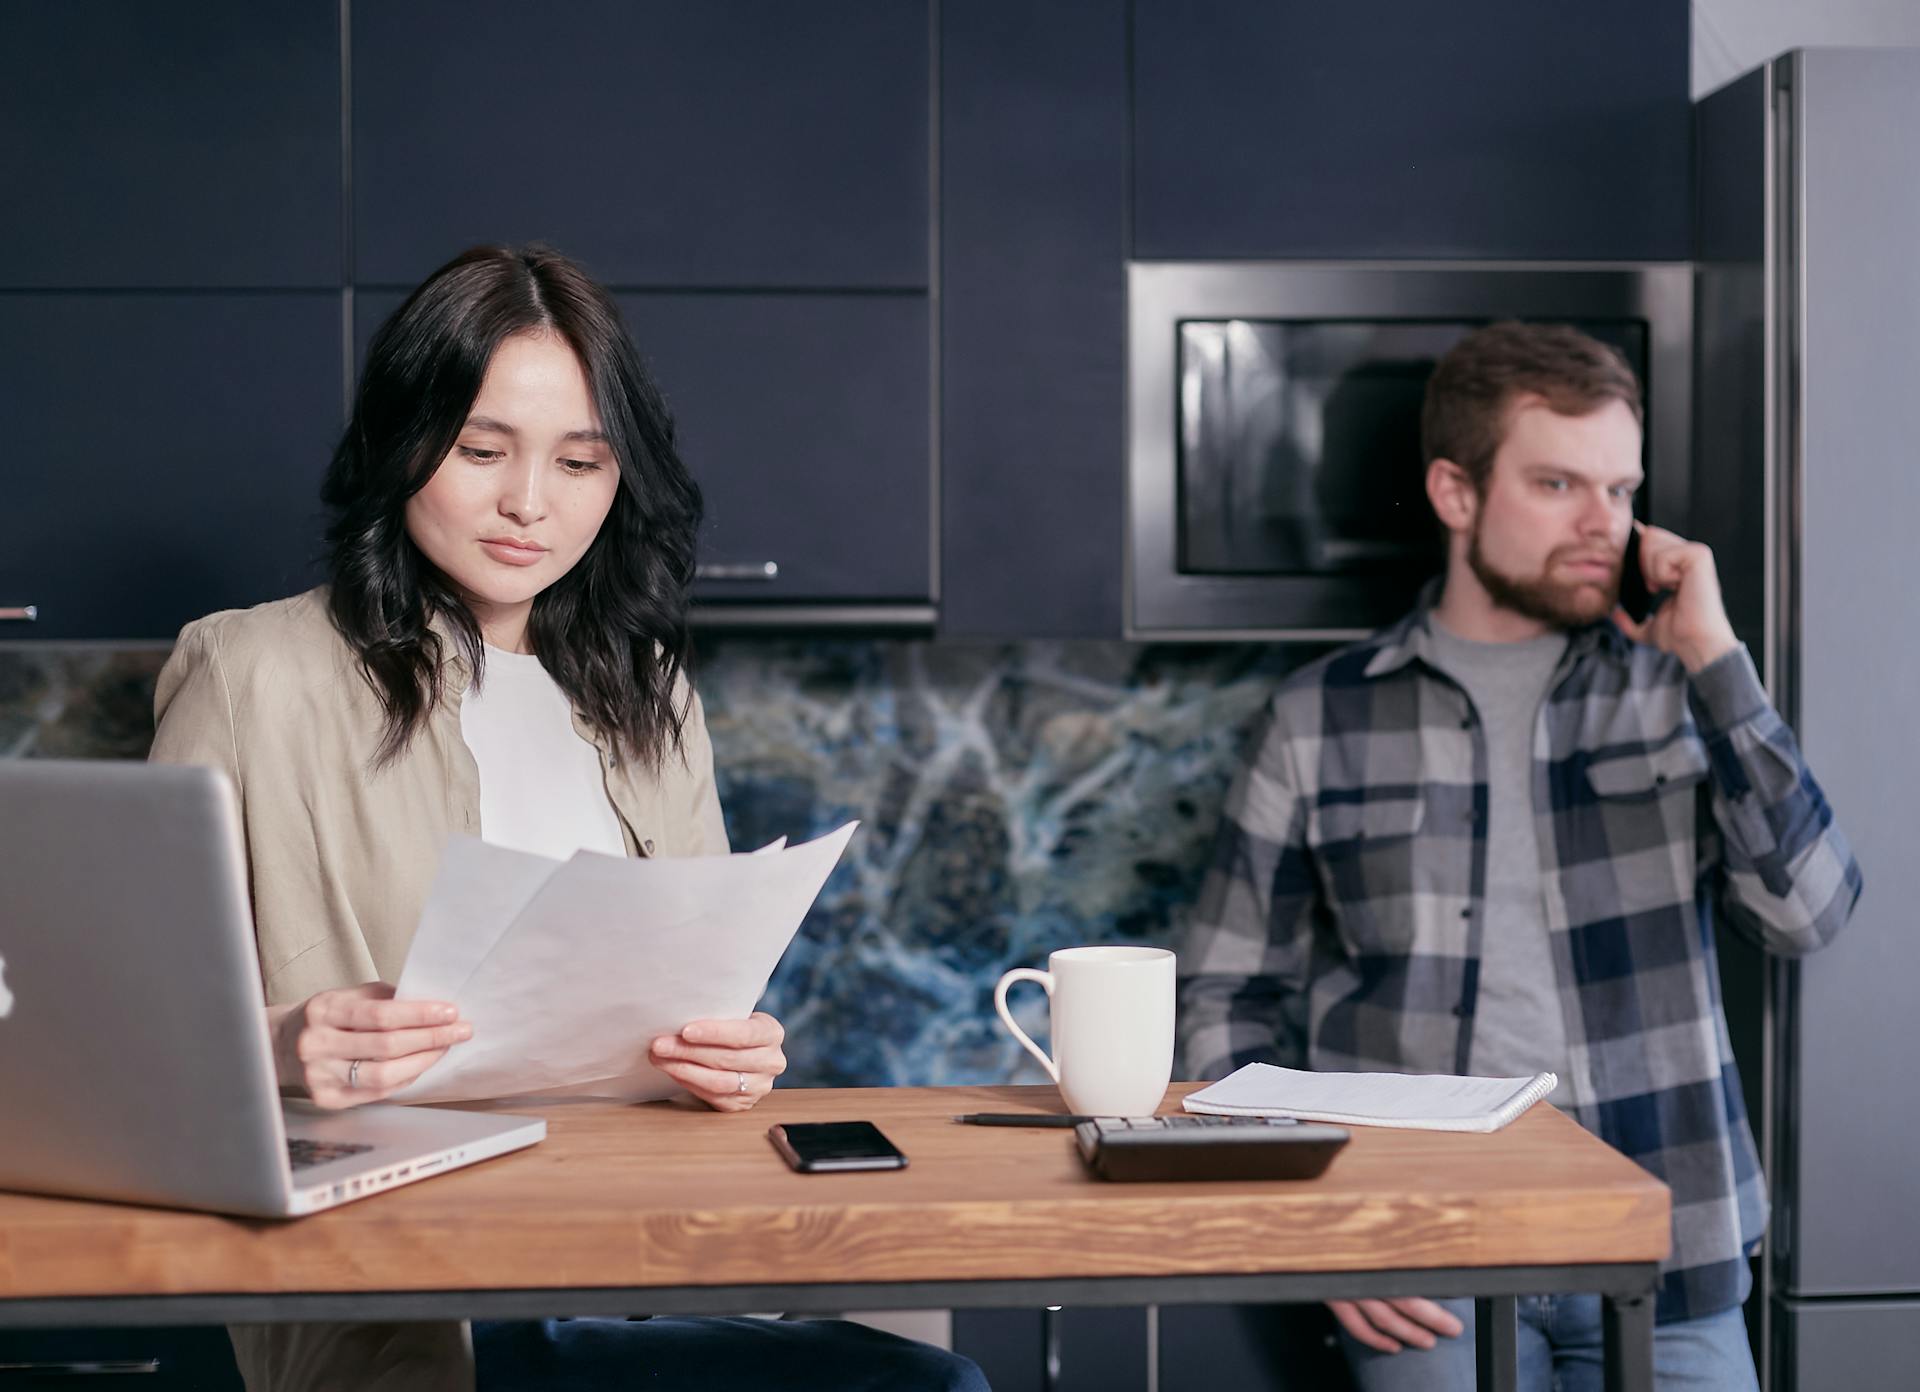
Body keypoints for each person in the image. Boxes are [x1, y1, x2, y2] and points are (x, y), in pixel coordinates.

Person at [149, 243, 988, 1392]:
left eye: (580, 462)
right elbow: (127, 1052)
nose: (528, 504)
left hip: (628, 1253)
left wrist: (728, 1058)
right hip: (402, 1288)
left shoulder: (649, 693)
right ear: (404, 439)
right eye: (480, 450)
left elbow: (691, 1009)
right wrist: (286, 1042)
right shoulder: (247, 672)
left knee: (931, 1383)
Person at [1176, 322, 1862, 1392]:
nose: (1607, 524)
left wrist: (1719, 660)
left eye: (1623, 489)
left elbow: (1806, 913)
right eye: (1559, 484)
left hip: (1664, 1243)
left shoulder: (1680, 688)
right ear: (1457, 494)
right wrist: (1308, 1217)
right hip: (1422, 1254)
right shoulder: (1319, 718)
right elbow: (1224, 994)